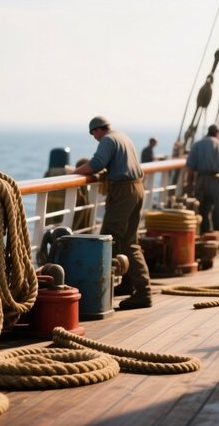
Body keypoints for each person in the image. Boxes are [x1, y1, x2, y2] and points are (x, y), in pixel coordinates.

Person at [73, 116, 152, 309]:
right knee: (128, 240)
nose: (94, 138)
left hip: (123, 191)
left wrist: (73, 173)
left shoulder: (108, 140)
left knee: (108, 238)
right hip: (136, 188)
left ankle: (142, 292)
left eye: (93, 134)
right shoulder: (122, 137)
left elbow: (96, 164)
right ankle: (129, 283)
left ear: (97, 129)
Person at [185, 124, 219, 252]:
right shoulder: (218, 144)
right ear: (217, 133)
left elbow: (190, 169)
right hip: (215, 180)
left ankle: (204, 240)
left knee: (202, 211)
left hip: (200, 180)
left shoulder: (197, 145)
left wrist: (190, 186)